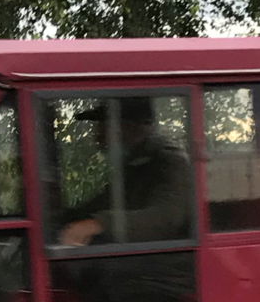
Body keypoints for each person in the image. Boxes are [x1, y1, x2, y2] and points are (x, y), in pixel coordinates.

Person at [58, 96, 192, 246]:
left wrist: (97, 224)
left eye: (104, 129)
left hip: (171, 261)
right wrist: (59, 219)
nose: (97, 139)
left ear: (132, 128)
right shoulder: (134, 164)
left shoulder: (170, 160)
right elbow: (104, 203)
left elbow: (167, 217)